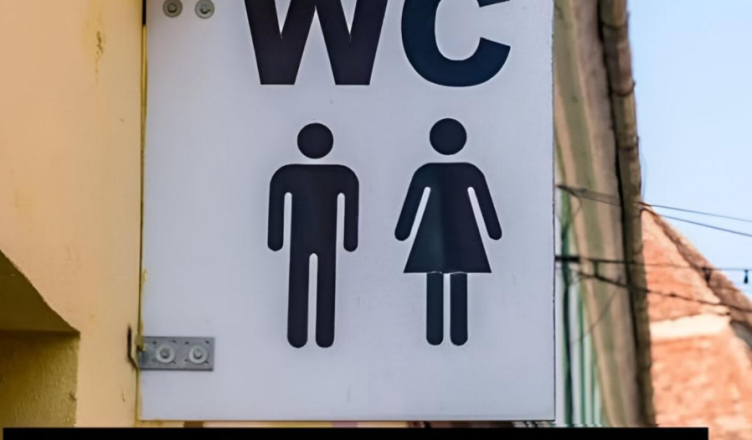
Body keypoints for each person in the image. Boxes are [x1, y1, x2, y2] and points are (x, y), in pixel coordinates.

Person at [395, 118, 502, 346]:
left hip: (434, 235)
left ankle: (440, 333)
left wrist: (403, 231)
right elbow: (484, 205)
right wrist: (493, 231)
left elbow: (412, 206)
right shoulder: (468, 172)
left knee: (437, 278)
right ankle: (453, 333)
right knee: (455, 279)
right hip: (463, 233)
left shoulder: (428, 171)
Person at [268, 123, 359, 348]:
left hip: (305, 240)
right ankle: (313, 335)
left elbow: (277, 208)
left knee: (307, 280)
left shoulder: (288, 175)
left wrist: (276, 240)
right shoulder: (341, 175)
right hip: (324, 239)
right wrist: (349, 241)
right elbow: (350, 209)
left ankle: (307, 335)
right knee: (320, 280)